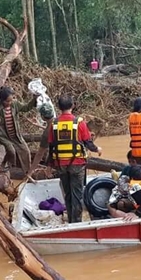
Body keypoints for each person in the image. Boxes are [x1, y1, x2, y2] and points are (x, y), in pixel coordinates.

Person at [46, 95, 103, 223]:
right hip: (77, 164)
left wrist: (49, 165)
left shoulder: (54, 124)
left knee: (67, 194)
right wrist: (97, 149)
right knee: (77, 194)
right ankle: (76, 222)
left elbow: (51, 147)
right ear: (73, 106)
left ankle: (71, 220)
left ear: (59, 107)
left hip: (60, 164)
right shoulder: (79, 123)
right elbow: (88, 142)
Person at [0, 87, 37, 174]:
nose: (9, 103)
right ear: (2, 100)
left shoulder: (15, 104)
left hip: (16, 135)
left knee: (26, 151)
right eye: (7, 101)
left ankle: (28, 172)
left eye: (11, 101)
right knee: (11, 151)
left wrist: (34, 99)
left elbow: (26, 108)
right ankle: (10, 166)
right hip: (4, 136)